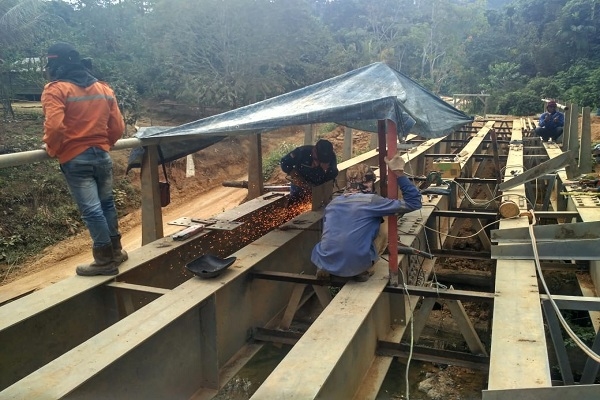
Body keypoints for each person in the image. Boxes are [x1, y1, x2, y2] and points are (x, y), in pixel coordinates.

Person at [41, 42, 127, 276]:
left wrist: (53, 148)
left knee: (91, 210)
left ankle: (104, 260)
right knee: (107, 204)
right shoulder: (103, 88)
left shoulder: (56, 90)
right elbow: (118, 127)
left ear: (55, 64)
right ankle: (116, 251)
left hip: (76, 159)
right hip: (102, 155)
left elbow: (55, 127)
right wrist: (104, 143)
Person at [311, 153, 422, 281]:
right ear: (368, 182)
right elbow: (414, 203)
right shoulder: (372, 201)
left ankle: (325, 268)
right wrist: (399, 173)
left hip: (325, 261)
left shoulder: (333, 203)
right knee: (385, 219)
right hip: (358, 265)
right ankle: (364, 268)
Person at [280, 139, 338, 204]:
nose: (318, 164)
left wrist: (326, 171)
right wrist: (292, 173)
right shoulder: (301, 152)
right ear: (314, 151)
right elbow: (284, 162)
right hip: (300, 185)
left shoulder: (331, 157)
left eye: (322, 162)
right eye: (318, 160)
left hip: (318, 186)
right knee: (294, 205)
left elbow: (333, 174)